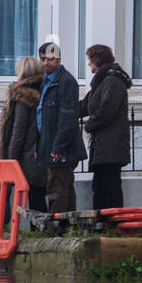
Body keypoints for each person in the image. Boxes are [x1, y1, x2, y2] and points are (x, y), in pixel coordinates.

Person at [34, 34, 86, 214]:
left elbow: (67, 118)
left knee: (57, 189)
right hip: (50, 143)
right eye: (42, 59)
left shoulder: (65, 82)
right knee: (64, 187)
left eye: (50, 59)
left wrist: (58, 147)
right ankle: (67, 226)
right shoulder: (46, 81)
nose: (45, 63)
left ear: (58, 59)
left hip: (60, 147)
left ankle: (58, 228)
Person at [79, 43, 132, 212]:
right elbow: (86, 105)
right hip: (103, 145)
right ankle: (102, 222)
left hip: (111, 145)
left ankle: (112, 223)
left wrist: (89, 125)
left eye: (89, 60)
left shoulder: (112, 81)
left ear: (97, 60)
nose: (88, 64)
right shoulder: (101, 81)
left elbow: (107, 110)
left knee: (109, 187)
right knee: (100, 186)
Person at [0, 55, 48, 213]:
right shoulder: (44, 92)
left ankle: (37, 232)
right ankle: (42, 231)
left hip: (27, 155)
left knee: (34, 198)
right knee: (38, 196)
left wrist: (10, 159)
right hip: (39, 152)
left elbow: (18, 131)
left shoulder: (23, 97)